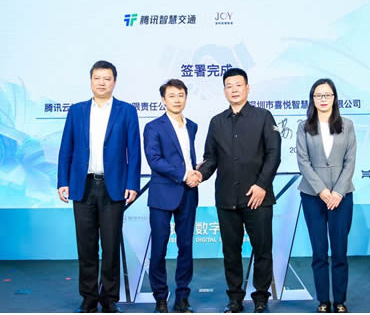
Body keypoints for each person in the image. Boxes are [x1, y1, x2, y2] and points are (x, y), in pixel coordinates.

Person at [57, 60, 141, 313]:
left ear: (114, 82)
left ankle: (109, 298)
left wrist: (132, 184)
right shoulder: (77, 111)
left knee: (111, 244)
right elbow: (66, 148)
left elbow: (134, 150)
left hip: (113, 187)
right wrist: (63, 181)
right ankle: (89, 297)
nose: (102, 83)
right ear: (91, 81)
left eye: (107, 78)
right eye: (97, 78)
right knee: (86, 245)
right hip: (82, 185)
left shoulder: (126, 111)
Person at [196, 68, 281, 313]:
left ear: (247, 88)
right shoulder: (216, 122)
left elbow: (274, 154)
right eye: (229, 86)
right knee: (231, 252)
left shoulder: (264, 117)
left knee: (262, 250)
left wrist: (262, 185)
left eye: (238, 85)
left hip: (258, 198)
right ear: (224, 91)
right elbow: (211, 158)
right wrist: (200, 174)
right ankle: (235, 298)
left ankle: (261, 297)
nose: (234, 89)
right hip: (227, 199)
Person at [296, 78, 356, 313]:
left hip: (342, 196)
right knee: (319, 251)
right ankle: (323, 301)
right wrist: (322, 191)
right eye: (318, 95)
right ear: (312, 99)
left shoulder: (347, 125)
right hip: (312, 196)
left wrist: (337, 192)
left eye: (327, 95)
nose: (323, 99)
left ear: (334, 98)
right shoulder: (304, 126)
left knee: (339, 251)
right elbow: (303, 161)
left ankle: (340, 301)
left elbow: (350, 161)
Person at [143, 79, 202, 313]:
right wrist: (184, 174)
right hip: (162, 194)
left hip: (188, 193)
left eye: (181, 95)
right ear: (163, 100)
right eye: (172, 95)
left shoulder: (192, 126)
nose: (177, 100)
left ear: (186, 97)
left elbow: (188, 158)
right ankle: (160, 297)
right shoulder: (153, 127)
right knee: (159, 248)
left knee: (186, 247)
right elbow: (154, 159)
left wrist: (196, 173)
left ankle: (182, 298)